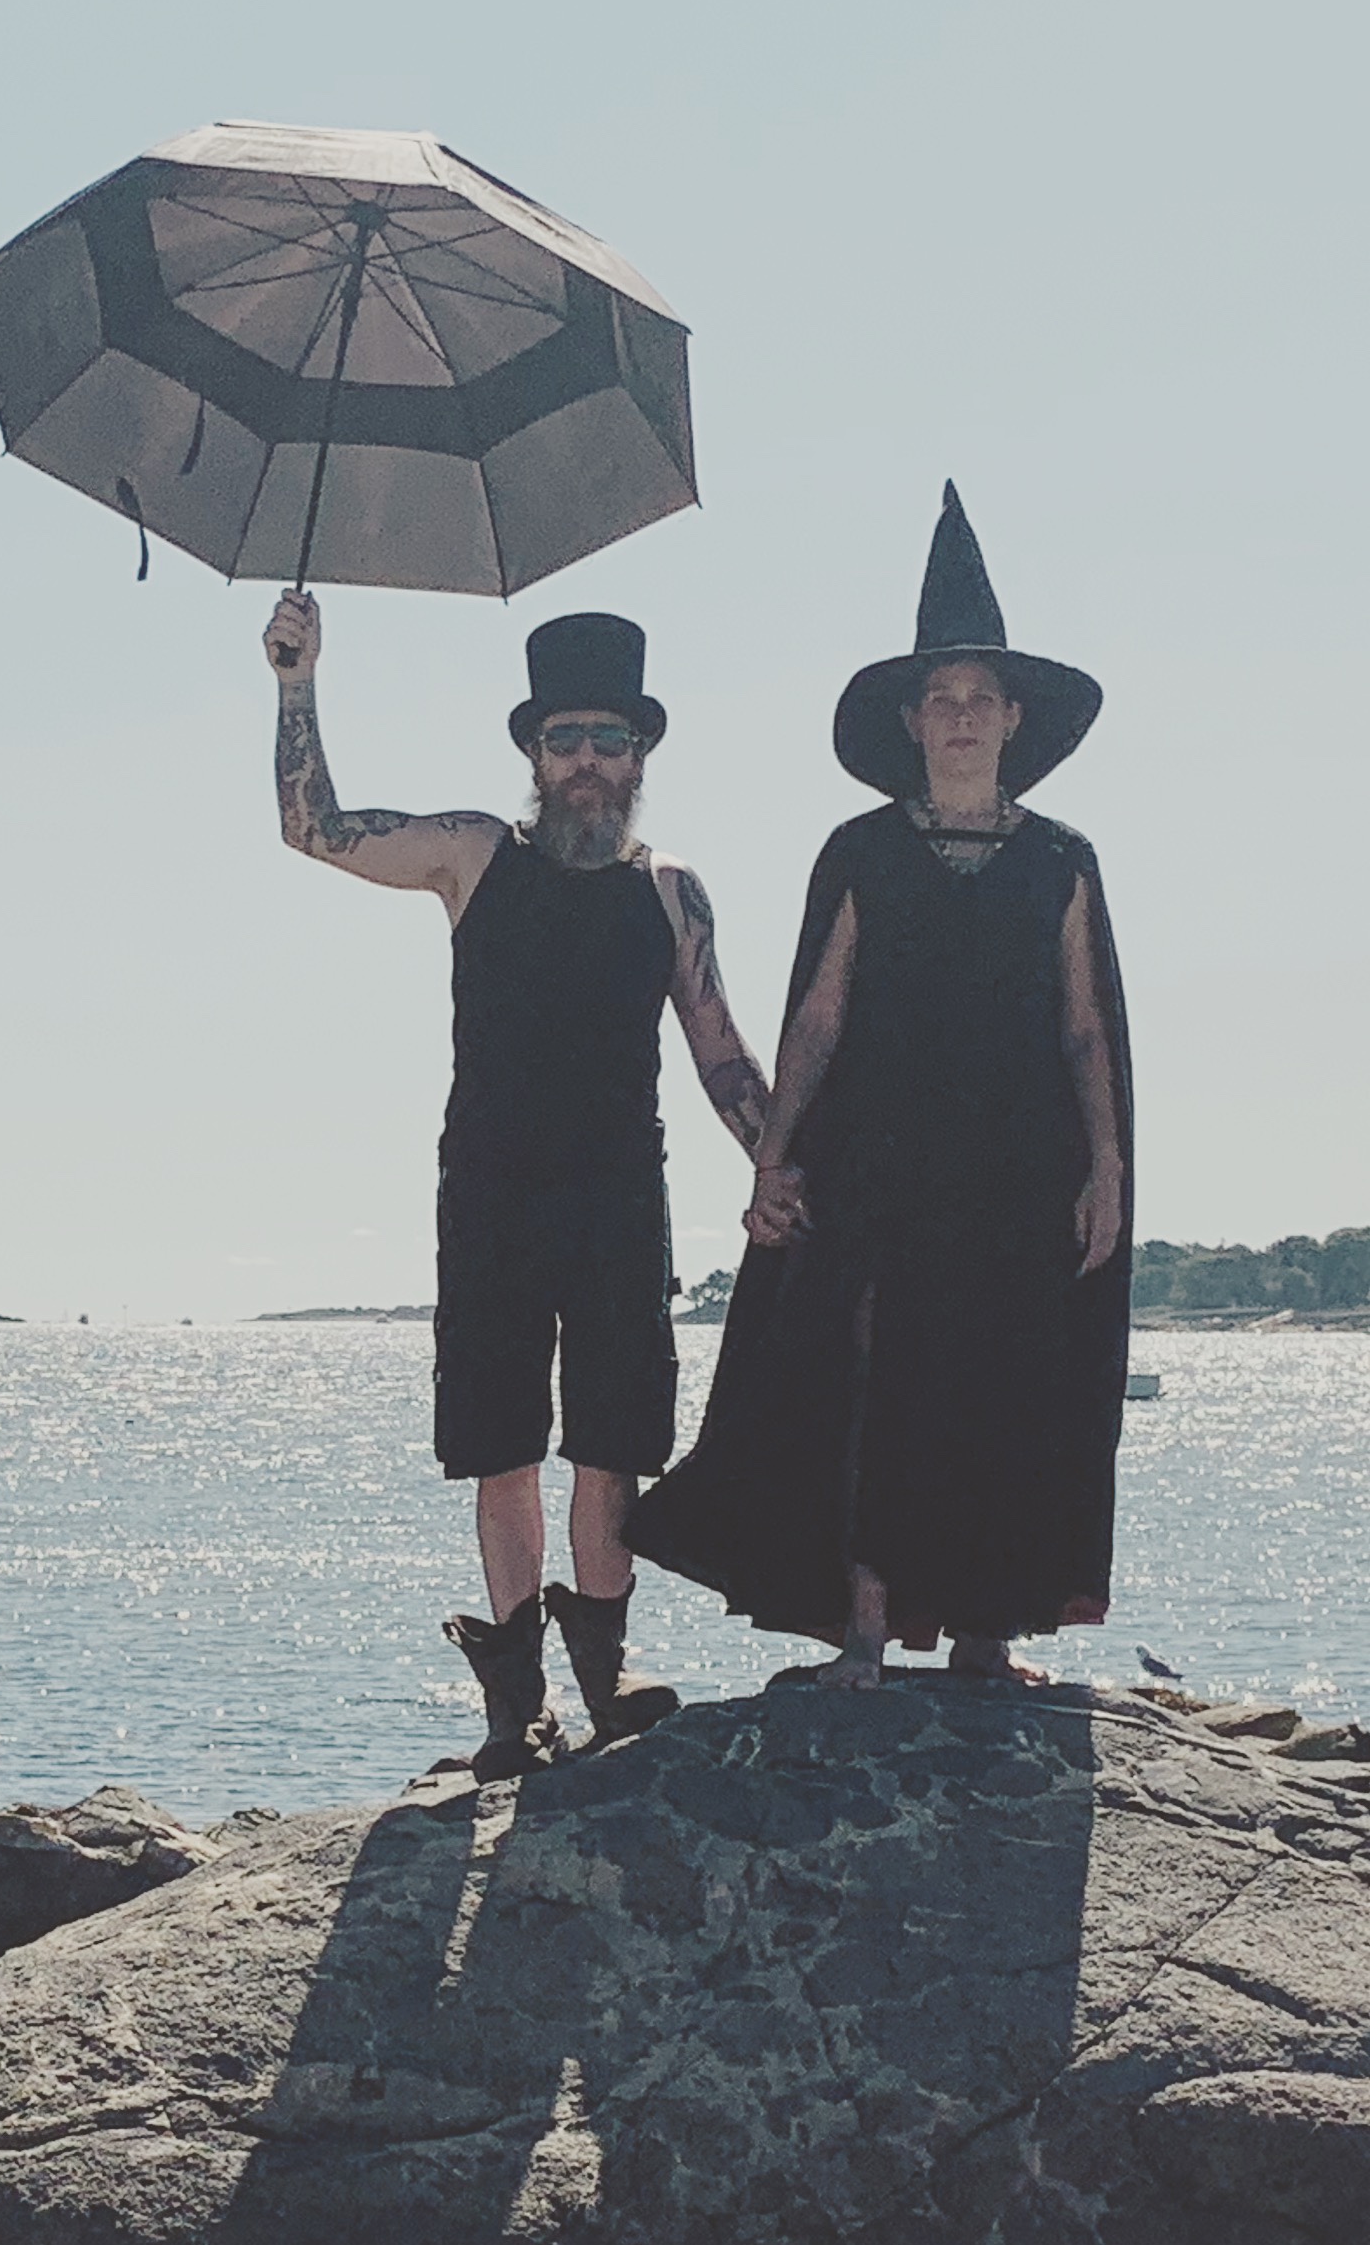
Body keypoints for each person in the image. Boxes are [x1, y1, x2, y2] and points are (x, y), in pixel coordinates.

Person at [625, 485, 1132, 1684]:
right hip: (880, 1167)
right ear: (913, 720)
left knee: (1004, 1383)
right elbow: (817, 1016)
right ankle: (863, 1630)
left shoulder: (1063, 859)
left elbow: (1085, 1030)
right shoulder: (861, 851)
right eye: (940, 699)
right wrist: (773, 1157)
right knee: (869, 1385)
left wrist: (1107, 1165)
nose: (960, 717)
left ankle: (987, 1635)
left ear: (1014, 717)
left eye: (980, 698)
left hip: (1020, 1171)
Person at [268, 593, 774, 1776]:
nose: (588, 761)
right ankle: (516, 1705)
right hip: (492, 1189)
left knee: (613, 1442)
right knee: (500, 1444)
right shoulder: (473, 855)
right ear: (535, 755)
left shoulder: (670, 892)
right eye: (566, 739)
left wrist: (784, 1165)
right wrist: (296, 680)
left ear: (639, 756)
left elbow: (720, 1052)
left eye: (610, 739)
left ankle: (606, 1677)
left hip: (619, 1193)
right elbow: (314, 829)